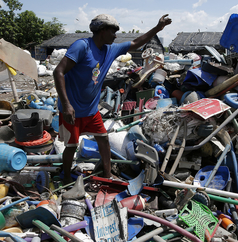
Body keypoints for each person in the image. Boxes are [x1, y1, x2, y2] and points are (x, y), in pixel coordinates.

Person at [54, 14, 172, 184]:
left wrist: (157, 28)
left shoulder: (110, 50)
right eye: (113, 31)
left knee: (103, 139)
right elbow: (58, 72)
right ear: (102, 30)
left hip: (91, 110)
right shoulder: (82, 46)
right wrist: (66, 105)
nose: (116, 35)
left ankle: (107, 175)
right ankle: (65, 177)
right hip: (71, 109)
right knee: (71, 146)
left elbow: (135, 43)